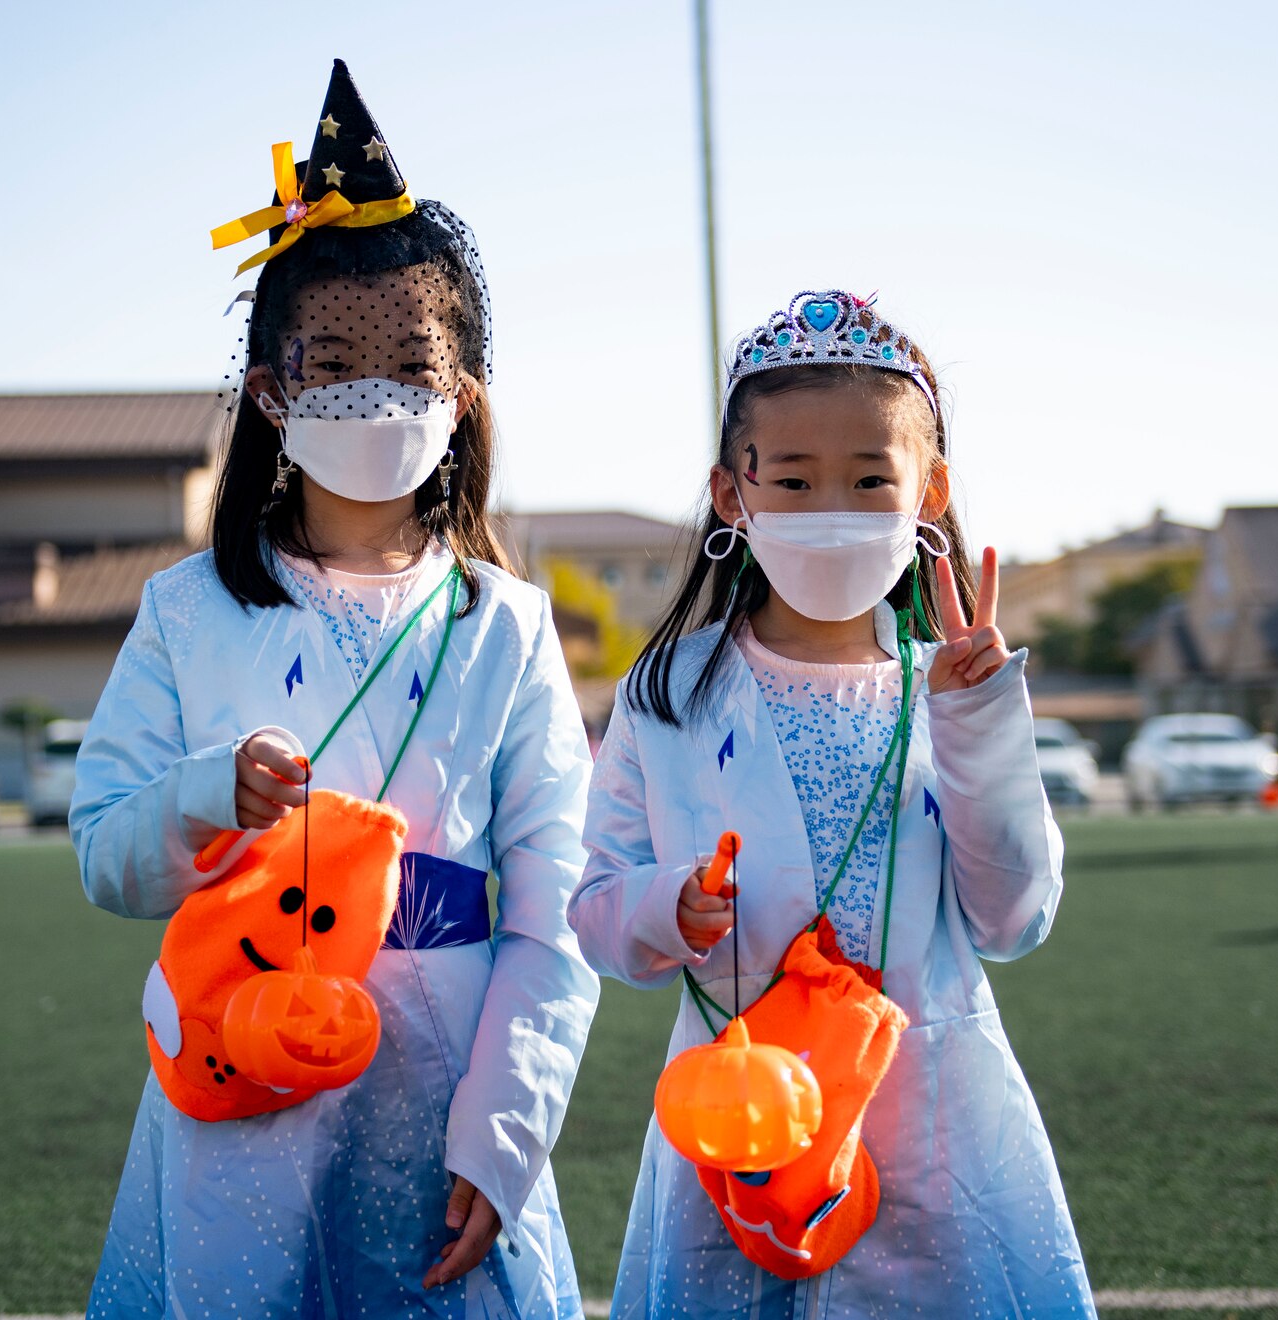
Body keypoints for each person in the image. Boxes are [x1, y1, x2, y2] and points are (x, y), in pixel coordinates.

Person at [71, 61, 598, 1317]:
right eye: (334, 363)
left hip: (448, 1092)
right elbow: (105, 853)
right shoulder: (186, 611)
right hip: (239, 1088)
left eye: (407, 363)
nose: (373, 393)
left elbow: (555, 910)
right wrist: (212, 800)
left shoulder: (507, 627)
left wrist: (505, 1128)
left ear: (459, 395)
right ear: (271, 390)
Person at [568, 291, 1095, 1318]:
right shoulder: (666, 693)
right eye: (794, 481)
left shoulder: (949, 688)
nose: (829, 512)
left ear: (927, 492)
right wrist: (660, 907)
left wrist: (980, 720)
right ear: (731, 493)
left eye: (867, 481)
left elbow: (1013, 919)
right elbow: (593, 913)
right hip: (739, 1127)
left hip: (931, 1136)